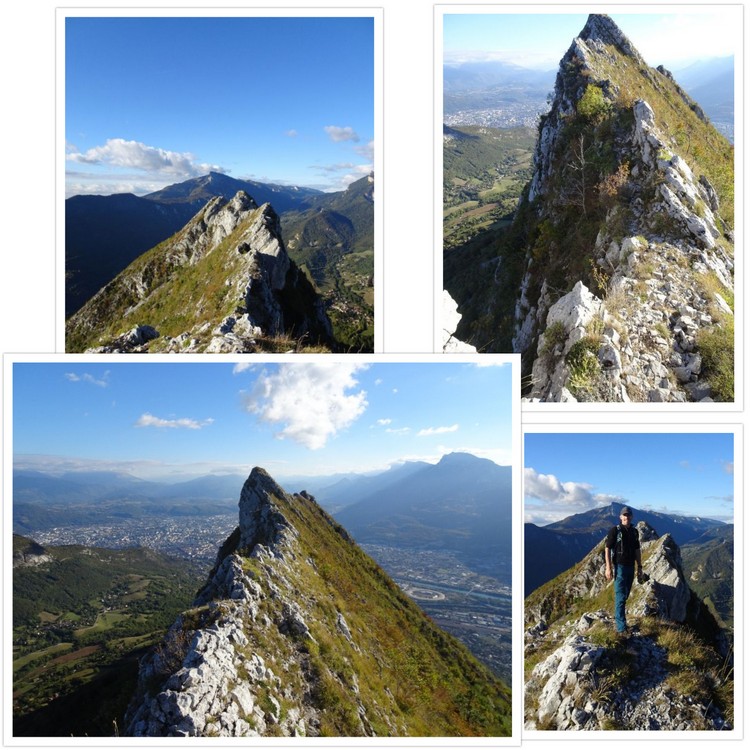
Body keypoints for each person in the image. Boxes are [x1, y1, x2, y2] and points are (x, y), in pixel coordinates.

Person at [604, 506, 643, 634]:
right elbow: (607, 548)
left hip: (631, 567)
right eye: (624, 515)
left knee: (625, 595)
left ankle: (621, 620)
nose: (626, 517)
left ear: (631, 517)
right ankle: (621, 628)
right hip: (619, 568)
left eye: (628, 515)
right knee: (620, 597)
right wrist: (608, 568)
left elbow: (637, 550)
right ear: (620, 517)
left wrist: (640, 567)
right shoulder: (614, 531)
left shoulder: (634, 532)